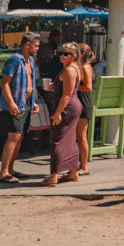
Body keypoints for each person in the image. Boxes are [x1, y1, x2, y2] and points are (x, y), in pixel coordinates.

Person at [0, 33, 40, 183]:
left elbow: (30, 83)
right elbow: (5, 83)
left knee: (19, 137)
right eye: (36, 46)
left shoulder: (30, 60)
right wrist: (11, 103)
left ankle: (10, 169)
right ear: (27, 45)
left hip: (25, 102)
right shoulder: (15, 59)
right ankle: (3, 172)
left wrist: (33, 101)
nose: (37, 48)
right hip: (15, 104)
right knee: (13, 137)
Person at [43, 43, 82, 186]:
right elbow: (64, 89)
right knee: (69, 139)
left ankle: (53, 176)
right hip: (71, 106)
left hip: (67, 107)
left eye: (66, 54)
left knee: (57, 140)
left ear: (73, 56)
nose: (62, 56)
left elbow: (67, 95)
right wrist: (54, 87)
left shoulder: (70, 70)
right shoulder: (68, 69)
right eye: (61, 52)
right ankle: (73, 172)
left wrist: (58, 113)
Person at [75, 43, 96, 176]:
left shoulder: (85, 67)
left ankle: (84, 166)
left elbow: (88, 87)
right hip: (79, 102)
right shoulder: (80, 66)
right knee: (77, 136)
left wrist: (71, 86)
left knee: (81, 136)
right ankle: (78, 164)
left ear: (82, 53)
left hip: (84, 102)